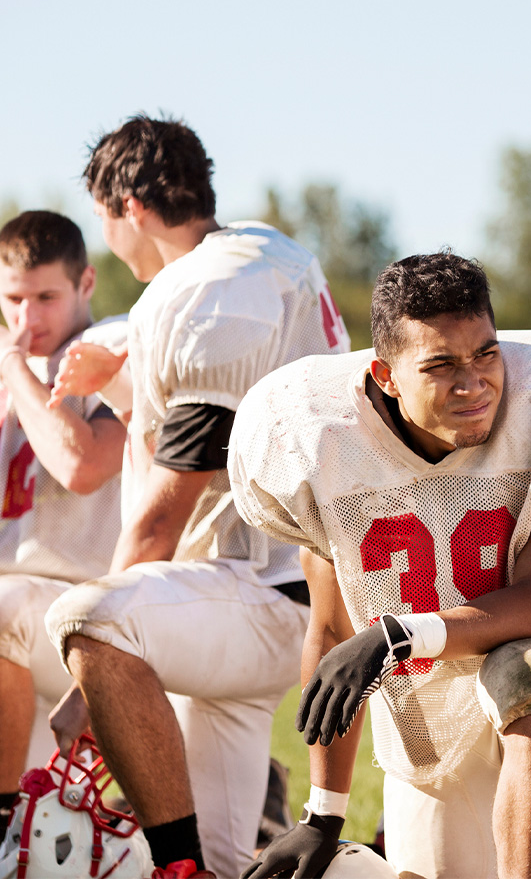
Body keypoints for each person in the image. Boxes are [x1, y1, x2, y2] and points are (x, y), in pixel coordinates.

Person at [227, 251, 531, 879]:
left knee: (525, 669)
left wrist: (401, 633)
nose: (473, 383)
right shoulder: (316, 439)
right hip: (428, 714)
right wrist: (323, 814)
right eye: (441, 365)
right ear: (387, 377)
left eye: (485, 354)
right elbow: (340, 635)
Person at [42, 114, 350, 878]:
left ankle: (178, 870)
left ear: (129, 210)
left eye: (103, 220)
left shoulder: (217, 287)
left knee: (86, 617)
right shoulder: (266, 254)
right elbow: (224, 433)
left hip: (254, 589)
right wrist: (116, 382)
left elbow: (168, 501)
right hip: (276, 595)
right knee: (222, 858)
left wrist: (91, 681)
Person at [0, 209, 127, 843]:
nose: (28, 319)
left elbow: (84, 466)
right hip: (13, 623)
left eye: (46, 297)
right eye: (13, 300)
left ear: (85, 284)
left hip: (87, 602)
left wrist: (17, 370)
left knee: (4, 605)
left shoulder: (108, 350)